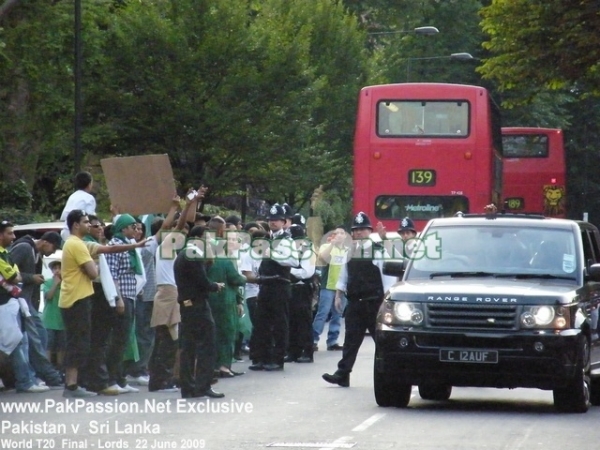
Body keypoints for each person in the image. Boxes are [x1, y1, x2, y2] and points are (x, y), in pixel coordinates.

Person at [322, 212, 396, 387]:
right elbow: (344, 274)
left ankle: (390, 372)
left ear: (369, 231)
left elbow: (387, 276)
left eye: (362, 230)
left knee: (382, 341)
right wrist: (339, 294)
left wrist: (387, 301)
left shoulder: (378, 250)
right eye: (356, 230)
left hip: (374, 303)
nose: (359, 233)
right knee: (350, 341)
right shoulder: (350, 251)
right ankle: (343, 374)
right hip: (355, 302)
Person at [174, 225, 224, 399]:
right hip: (197, 305)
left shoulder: (184, 253)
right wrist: (215, 286)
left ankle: (188, 386)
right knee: (206, 345)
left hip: (187, 304)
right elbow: (202, 281)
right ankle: (203, 385)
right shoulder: (193, 255)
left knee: (188, 346)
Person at [10, 231, 64, 388]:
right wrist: (30, 278)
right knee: (31, 341)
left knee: (40, 336)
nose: (53, 252)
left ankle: (38, 375)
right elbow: (7, 269)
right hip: (17, 301)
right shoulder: (25, 248)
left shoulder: (37, 254)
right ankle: (45, 376)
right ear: (45, 242)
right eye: (53, 248)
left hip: (28, 303)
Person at [248, 203, 299, 372]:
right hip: (265, 284)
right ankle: (261, 357)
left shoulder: (287, 240)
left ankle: (277, 359)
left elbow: (294, 261)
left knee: (279, 323)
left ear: (284, 222)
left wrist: (273, 255)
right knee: (262, 322)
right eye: (271, 220)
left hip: (280, 285)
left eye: (277, 220)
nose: (273, 222)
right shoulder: (266, 239)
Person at [0, 220, 49, 393]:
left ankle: (25, 379)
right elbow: (14, 276)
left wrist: (18, 277)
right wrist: (21, 278)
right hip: (4, 304)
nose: (13, 237)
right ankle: (25, 381)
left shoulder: (5, 253)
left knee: (17, 342)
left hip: (10, 303)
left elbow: (15, 275)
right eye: (9, 233)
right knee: (17, 342)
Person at [206, 218, 246, 377]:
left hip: (209, 299)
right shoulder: (225, 260)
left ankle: (215, 366)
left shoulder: (205, 255)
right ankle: (224, 366)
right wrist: (244, 278)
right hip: (226, 300)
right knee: (228, 333)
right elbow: (236, 279)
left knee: (214, 334)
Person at [312, 226, 349, 352]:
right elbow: (322, 257)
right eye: (336, 233)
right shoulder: (326, 247)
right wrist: (331, 245)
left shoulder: (347, 250)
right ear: (332, 236)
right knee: (322, 313)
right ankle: (313, 339)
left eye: (342, 233)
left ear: (345, 236)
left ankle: (332, 341)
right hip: (328, 286)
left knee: (337, 314)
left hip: (341, 288)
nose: (339, 235)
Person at [285, 224, 316, 363]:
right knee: (292, 321)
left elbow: (306, 272)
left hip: (302, 288)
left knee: (303, 321)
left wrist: (288, 271)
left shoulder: (306, 250)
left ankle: (307, 352)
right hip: (292, 288)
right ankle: (293, 351)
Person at [42, 260, 65, 370]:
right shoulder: (48, 282)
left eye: (59, 268)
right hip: (49, 321)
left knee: (61, 347)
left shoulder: (67, 283)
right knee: (48, 347)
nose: (57, 271)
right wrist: (55, 283)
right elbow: (48, 296)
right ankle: (48, 370)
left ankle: (60, 370)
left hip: (62, 321)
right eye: (54, 268)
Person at [60, 171, 96, 241]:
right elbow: (90, 218)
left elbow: (64, 216)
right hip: (77, 232)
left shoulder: (72, 196)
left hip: (65, 231)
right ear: (89, 184)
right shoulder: (89, 198)